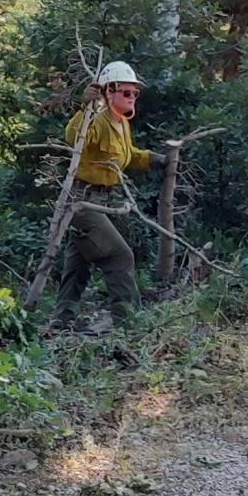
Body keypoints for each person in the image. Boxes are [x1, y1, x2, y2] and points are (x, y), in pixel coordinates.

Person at [53, 60, 165, 326]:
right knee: (120, 255)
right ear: (108, 92)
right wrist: (86, 108)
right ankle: (127, 320)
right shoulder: (97, 120)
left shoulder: (121, 123)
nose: (132, 97)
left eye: (135, 93)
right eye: (126, 92)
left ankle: (61, 320)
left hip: (102, 200)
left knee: (77, 265)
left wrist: (154, 159)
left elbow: (126, 157)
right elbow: (74, 137)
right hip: (82, 202)